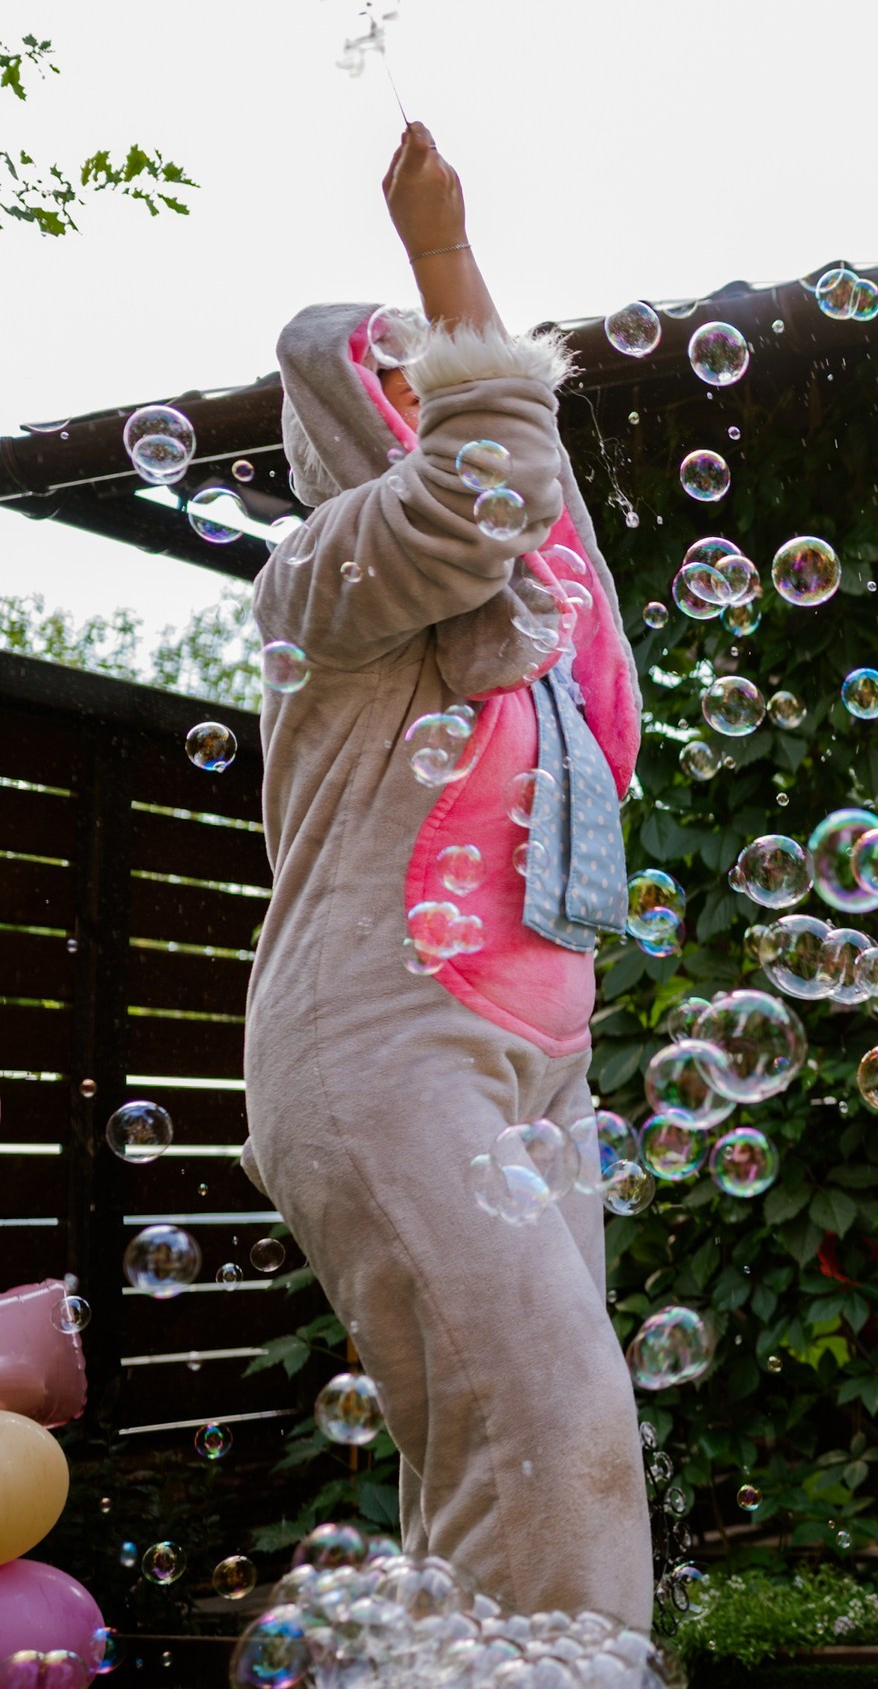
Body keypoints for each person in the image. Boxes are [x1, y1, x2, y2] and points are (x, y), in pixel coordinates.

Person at [238, 123, 651, 1624]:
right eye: (411, 379)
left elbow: (553, 541)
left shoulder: (541, 635)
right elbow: (489, 487)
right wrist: (444, 259)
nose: (458, 404)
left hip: (536, 1060)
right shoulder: (333, 567)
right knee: (556, 1432)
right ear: (356, 414)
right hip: (377, 1040)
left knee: (504, 1450)